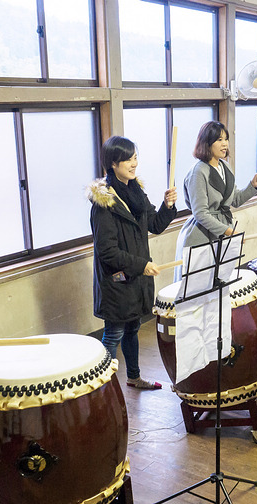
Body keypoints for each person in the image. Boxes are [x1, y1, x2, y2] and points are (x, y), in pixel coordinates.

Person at [88, 136, 177, 390]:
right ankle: (103, 389)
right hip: (117, 280)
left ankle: (134, 377)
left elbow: (156, 225)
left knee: (133, 328)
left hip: (136, 279)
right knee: (113, 333)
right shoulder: (103, 202)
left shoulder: (135, 191)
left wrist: (168, 205)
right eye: (128, 159)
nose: (133, 163)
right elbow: (107, 251)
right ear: (113, 163)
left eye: (135, 157)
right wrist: (141, 265)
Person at [174, 121, 257, 274]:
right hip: (201, 236)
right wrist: (229, 231)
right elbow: (200, 213)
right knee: (199, 289)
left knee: (221, 285)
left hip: (222, 234)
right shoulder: (198, 172)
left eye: (226, 139)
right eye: (219, 140)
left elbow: (234, 199)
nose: (225, 144)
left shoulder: (225, 166)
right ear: (207, 143)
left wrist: (253, 185)